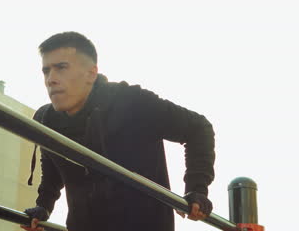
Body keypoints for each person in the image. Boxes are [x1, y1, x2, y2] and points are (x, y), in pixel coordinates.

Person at [21, 32, 215, 231]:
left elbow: (199, 128)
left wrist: (196, 189)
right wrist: (44, 206)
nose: (51, 79)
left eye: (61, 68)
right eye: (46, 71)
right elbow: (53, 169)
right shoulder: (47, 119)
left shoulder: (131, 102)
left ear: (91, 73)